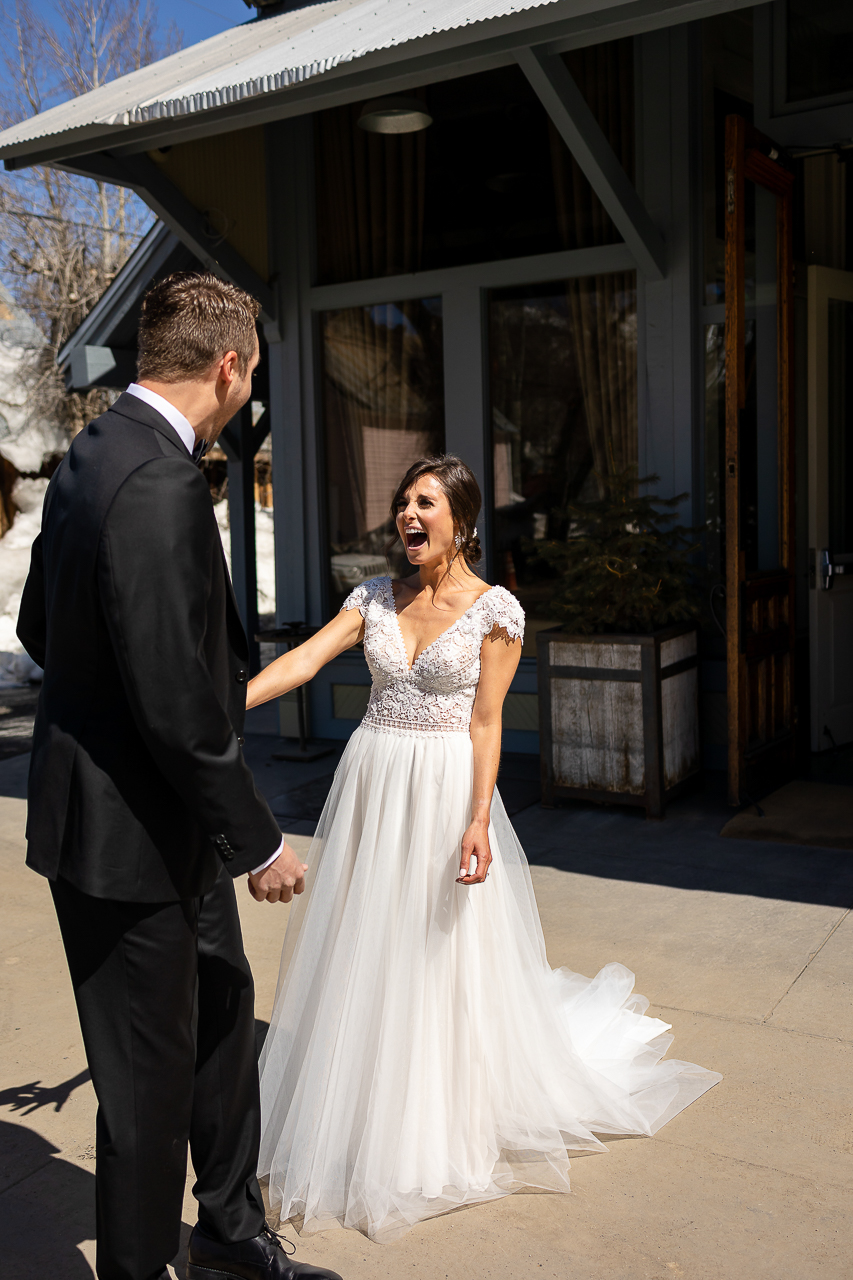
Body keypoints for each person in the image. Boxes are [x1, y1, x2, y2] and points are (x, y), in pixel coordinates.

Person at [249, 455, 721, 1243]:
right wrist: (221, 704)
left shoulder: (494, 611)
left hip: (440, 791)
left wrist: (476, 818)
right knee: (368, 943)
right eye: (402, 502)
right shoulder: (371, 596)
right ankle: (362, 1095)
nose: (407, 514)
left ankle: (439, 1118)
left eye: (423, 502)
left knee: (437, 951)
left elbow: (486, 721)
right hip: (372, 782)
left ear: (460, 520)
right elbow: (304, 661)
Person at [16, 272, 342, 1280]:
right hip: (125, 842)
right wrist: (260, 839)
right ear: (230, 364)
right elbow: (169, 697)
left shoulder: (93, 454)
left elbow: (38, 630)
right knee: (144, 1090)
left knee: (219, 1024)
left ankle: (232, 1234)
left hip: (165, 831)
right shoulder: (152, 481)